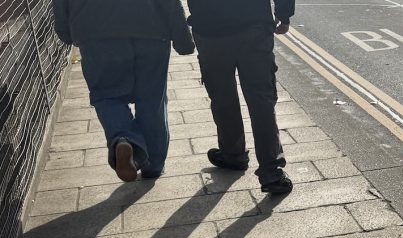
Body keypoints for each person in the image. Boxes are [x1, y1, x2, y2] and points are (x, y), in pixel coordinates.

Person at [53, 0, 194, 182]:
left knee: (106, 96)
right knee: (151, 99)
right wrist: (183, 38)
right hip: (150, 31)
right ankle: (153, 165)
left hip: (95, 33)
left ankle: (123, 139)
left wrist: (65, 31)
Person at [187, 0, 296, 194]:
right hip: (253, 26)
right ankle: (271, 172)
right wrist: (284, 14)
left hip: (209, 29)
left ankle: (233, 154)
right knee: (261, 101)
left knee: (222, 98)